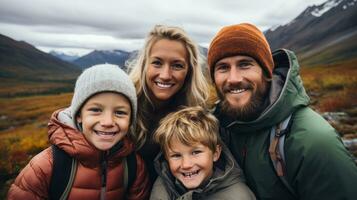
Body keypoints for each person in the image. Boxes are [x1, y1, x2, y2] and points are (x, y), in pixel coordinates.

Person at [207, 23, 357, 200]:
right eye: (223, 67)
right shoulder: (215, 130)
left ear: (267, 72)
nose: (233, 79)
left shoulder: (313, 142)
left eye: (245, 64)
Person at [7, 64, 150, 200]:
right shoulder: (45, 167)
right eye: (96, 110)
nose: (107, 122)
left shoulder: (134, 166)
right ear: (78, 115)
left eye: (120, 112)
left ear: (131, 119)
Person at [128, 25, 211, 183]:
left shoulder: (196, 114)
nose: (165, 75)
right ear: (144, 65)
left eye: (177, 65)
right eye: (157, 63)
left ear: (189, 71)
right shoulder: (120, 106)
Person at [150, 106, 256, 200]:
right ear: (166, 158)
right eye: (176, 155)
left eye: (196, 152)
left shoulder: (239, 196)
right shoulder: (162, 187)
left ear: (216, 153)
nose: (186, 165)